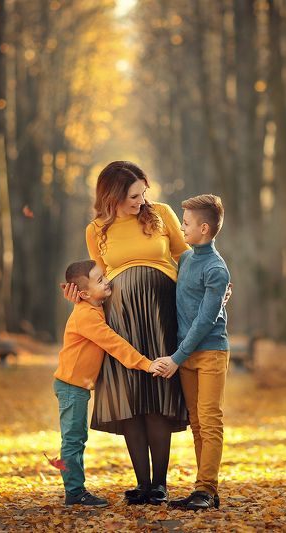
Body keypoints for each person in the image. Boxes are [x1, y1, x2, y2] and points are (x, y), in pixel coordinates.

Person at [62, 161, 190, 506]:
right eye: (134, 195)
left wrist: (213, 282)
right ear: (114, 196)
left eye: (143, 192)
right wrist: (82, 298)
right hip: (121, 319)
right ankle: (143, 483)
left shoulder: (161, 214)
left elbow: (186, 257)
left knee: (159, 390)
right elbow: (97, 280)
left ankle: (160, 484)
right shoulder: (96, 230)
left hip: (162, 314)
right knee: (130, 395)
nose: (141, 200)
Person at [53, 259, 165, 507]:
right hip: (72, 387)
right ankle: (74, 492)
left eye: (105, 277)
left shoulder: (93, 307)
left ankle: (75, 489)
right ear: (83, 293)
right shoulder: (86, 316)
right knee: (73, 440)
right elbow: (114, 344)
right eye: (100, 280)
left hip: (77, 386)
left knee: (77, 437)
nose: (108, 281)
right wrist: (146, 363)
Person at [155, 194, 231, 511]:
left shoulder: (216, 269)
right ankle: (204, 490)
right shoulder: (186, 260)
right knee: (197, 423)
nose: (181, 228)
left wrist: (176, 357)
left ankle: (206, 488)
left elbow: (203, 321)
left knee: (210, 421)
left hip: (210, 351)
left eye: (185, 223)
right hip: (185, 355)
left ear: (203, 228)